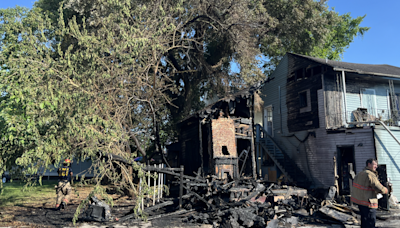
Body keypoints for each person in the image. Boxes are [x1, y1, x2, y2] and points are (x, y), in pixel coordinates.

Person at [351, 158, 388, 228]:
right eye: (374, 164)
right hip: (369, 203)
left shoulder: (360, 173)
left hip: (360, 202)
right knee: (370, 222)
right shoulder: (370, 174)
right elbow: (377, 187)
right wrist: (386, 190)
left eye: (376, 165)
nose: (376, 166)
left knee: (364, 222)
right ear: (369, 164)